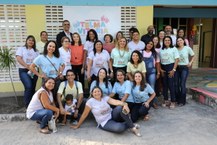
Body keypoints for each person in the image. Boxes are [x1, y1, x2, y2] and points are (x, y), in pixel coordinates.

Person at [71, 86, 141, 137]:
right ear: (92, 94)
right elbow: (84, 114)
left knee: (120, 107)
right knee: (119, 128)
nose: (97, 93)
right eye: (95, 92)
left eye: (98, 91)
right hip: (104, 122)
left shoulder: (104, 98)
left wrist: (125, 104)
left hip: (112, 114)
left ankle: (132, 127)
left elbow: (115, 101)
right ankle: (130, 124)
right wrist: (78, 125)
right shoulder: (90, 102)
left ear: (101, 93)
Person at [16, 35, 39, 108]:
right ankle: (27, 105)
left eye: (32, 40)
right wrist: (27, 66)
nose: (31, 41)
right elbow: (19, 58)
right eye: (29, 40)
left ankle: (32, 104)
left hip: (33, 71)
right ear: (26, 41)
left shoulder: (36, 51)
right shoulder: (21, 49)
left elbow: (38, 62)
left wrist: (32, 67)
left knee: (32, 88)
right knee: (28, 86)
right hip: (24, 70)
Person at [159, 36, 179, 109]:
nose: (167, 41)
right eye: (165, 40)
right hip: (163, 68)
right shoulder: (161, 50)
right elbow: (159, 61)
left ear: (170, 41)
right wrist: (160, 69)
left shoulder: (174, 49)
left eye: (168, 40)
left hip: (171, 67)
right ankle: (166, 100)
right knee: (165, 85)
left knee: (171, 85)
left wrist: (173, 69)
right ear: (163, 42)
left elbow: (177, 59)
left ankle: (173, 101)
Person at [175, 37, 194, 106]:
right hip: (177, 68)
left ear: (183, 41)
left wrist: (190, 62)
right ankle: (178, 99)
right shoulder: (175, 49)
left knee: (182, 84)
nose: (179, 42)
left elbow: (193, 55)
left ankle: (182, 101)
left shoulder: (187, 48)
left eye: (180, 40)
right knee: (176, 84)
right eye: (178, 41)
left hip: (184, 68)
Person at [142, 40, 160, 109]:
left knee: (152, 87)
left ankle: (154, 102)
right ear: (145, 45)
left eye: (151, 44)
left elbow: (157, 63)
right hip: (143, 72)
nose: (149, 45)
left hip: (152, 72)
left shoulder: (155, 54)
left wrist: (158, 72)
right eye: (148, 44)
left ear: (153, 46)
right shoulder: (141, 52)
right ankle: (145, 102)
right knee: (144, 87)